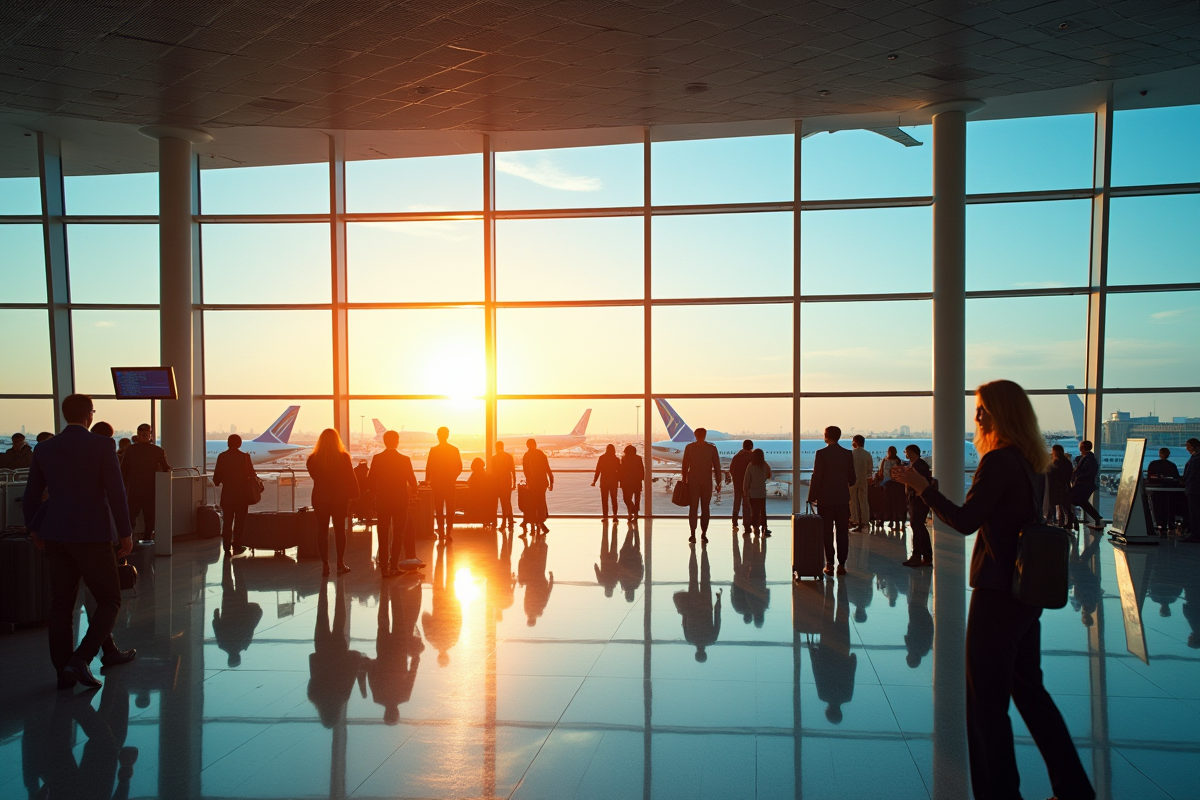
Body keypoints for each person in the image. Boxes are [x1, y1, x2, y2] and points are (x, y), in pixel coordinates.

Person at [891, 379, 1094, 800]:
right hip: (1024, 595)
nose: (977, 415)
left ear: (1004, 412)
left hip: (998, 591)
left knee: (986, 706)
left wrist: (923, 488)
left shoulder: (998, 460)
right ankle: (1073, 787)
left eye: (983, 408)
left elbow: (966, 521)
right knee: (1031, 694)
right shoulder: (1029, 461)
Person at [23, 393, 136, 690]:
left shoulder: (44, 448)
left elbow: (33, 493)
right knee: (110, 599)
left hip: (56, 535)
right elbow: (116, 492)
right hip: (92, 535)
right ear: (89, 415)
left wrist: (33, 528)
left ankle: (64, 672)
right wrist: (125, 532)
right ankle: (82, 658)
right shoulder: (102, 445)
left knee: (61, 605)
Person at [369, 430, 421, 578]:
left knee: (383, 534)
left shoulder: (377, 459)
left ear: (385, 442)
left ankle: (383, 568)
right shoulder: (404, 460)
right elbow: (412, 480)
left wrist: (375, 496)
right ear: (397, 442)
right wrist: (414, 491)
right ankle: (393, 566)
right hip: (400, 502)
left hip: (383, 501)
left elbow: (371, 480)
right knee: (398, 534)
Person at [307, 428, 359, 575]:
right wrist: (355, 496)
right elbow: (351, 478)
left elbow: (314, 476)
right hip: (339, 498)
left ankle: (325, 565)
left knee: (322, 530)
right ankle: (340, 563)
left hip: (320, 498)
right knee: (339, 530)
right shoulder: (343, 457)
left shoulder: (312, 459)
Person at [808, 426, 856, 576]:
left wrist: (811, 496)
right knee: (842, 532)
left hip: (825, 500)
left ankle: (829, 563)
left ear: (827, 436)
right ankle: (842, 564)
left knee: (826, 532)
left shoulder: (821, 454)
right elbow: (852, 479)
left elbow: (817, 477)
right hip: (842, 499)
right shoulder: (847, 454)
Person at [120, 423, 170, 542]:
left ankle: (127, 541)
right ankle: (147, 542)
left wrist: (126, 486)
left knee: (130, 518)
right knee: (149, 519)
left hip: (134, 490)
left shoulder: (130, 450)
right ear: (150, 435)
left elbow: (123, 471)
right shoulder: (158, 451)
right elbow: (166, 469)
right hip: (150, 491)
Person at [673, 542, 721, 661]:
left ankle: (704, 551)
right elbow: (684, 620)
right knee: (693, 576)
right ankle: (693, 552)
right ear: (696, 653)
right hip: (692, 605)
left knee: (705, 576)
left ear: (704, 654)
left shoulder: (712, 638)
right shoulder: (689, 639)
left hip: (705, 604)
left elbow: (717, 619)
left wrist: (718, 601)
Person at [212, 557, 262, 667]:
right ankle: (226, 562)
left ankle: (236, 563)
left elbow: (250, 626)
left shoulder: (245, 643)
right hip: (228, 609)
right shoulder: (222, 644)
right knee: (227, 584)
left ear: (238, 657)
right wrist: (216, 615)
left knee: (241, 584)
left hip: (242, 607)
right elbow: (217, 626)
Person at [212, 434, 255, 556]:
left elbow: (216, 479)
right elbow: (252, 475)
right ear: (240, 444)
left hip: (227, 496)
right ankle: (237, 545)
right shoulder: (245, 457)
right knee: (240, 522)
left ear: (228, 443)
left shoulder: (222, 457)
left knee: (227, 522)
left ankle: (226, 547)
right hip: (242, 496)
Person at [681, 427, 722, 543]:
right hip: (706, 481)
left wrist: (684, 480)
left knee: (693, 508)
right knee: (705, 508)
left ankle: (692, 534)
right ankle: (704, 534)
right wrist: (719, 482)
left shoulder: (689, 448)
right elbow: (717, 467)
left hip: (693, 481)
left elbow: (685, 466)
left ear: (695, 435)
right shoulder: (711, 449)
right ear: (705, 435)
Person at [425, 427, 462, 541]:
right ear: (447, 435)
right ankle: (448, 532)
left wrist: (428, 480)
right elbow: (460, 467)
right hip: (449, 483)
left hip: (437, 483)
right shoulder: (454, 449)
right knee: (450, 508)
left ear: (438, 435)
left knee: (439, 508)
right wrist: (453, 477)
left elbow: (429, 467)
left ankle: (441, 530)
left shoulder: (434, 450)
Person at [902, 444, 933, 568]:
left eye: (907, 452)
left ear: (912, 452)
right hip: (917, 500)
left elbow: (917, 483)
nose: (905, 454)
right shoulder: (917, 465)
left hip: (918, 500)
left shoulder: (918, 466)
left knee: (917, 526)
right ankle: (925, 556)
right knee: (919, 526)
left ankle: (917, 555)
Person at [1146, 446, 1182, 533]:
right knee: (1170, 508)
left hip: (1157, 489)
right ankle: (1170, 524)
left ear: (1160, 454)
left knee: (1158, 508)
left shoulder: (1153, 464)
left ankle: (1159, 524)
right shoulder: (1172, 465)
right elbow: (1176, 478)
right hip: (1170, 491)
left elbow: (1149, 477)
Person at [1069, 440, 1103, 529]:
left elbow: (1087, 472)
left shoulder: (1089, 458)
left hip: (1083, 485)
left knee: (1070, 499)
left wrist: (1077, 477)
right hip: (1084, 485)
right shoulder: (1087, 458)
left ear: (1083, 447)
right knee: (1082, 502)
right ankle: (1096, 517)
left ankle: (1073, 520)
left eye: (1080, 446)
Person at [522, 438, 553, 534]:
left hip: (534, 483)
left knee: (534, 504)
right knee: (540, 503)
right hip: (541, 482)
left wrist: (528, 483)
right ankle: (540, 523)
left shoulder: (527, 456)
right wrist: (551, 481)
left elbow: (526, 471)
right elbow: (547, 468)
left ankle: (535, 524)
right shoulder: (540, 454)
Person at [742, 448, 772, 536]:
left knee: (754, 512)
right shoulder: (764, 465)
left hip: (753, 493)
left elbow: (746, 480)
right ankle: (764, 527)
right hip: (762, 492)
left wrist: (745, 490)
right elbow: (769, 475)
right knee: (763, 511)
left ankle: (756, 528)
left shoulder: (751, 466)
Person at [877, 446, 906, 531]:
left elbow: (881, 472)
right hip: (896, 484)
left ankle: (889, 520)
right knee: (896, 505)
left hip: (887, 484)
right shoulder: (898, 461)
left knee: (887, 504)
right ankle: (896, 521)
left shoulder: (885, 460)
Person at [728, 440, 754, 533]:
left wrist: (736, 478)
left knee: (737, 503)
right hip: (749, 485)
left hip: (738, 483)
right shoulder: (753, 457)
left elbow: (731, 469)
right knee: (747, 504)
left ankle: (734, 522)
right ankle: (747, 525)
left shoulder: (737, 457)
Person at [849, 435, 873, 531]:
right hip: (863, 481)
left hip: (852, 481)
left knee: (853, 501)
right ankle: (865, 521)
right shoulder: (867, 454)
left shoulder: (851, 454)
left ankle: (855, 520)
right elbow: (870, 469)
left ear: (855, 442)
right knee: (864, 501)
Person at [491, 441, 516, 529]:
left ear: (496, 448)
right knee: (507, 502)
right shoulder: (509, 456)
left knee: (498, 503)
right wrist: (514, 483)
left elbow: (493, 473)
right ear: (503, 446)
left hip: (497, 483)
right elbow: (513, 470)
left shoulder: (494, 458)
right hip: (507, 482)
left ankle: (498, 522)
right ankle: (509, 521)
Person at [591, 444, 621, 520]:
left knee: (604, 499)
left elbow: (598, 470)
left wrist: (594, 481)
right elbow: (620, 471)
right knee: (614, 499)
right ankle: (615, 515)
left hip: (604, 481)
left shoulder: (602, 458)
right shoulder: (616, 459)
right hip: (613, 481)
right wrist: (620, 481)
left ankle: (605, 516)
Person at [1048, 444, 1074, 527]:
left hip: (1057, 487)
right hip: (1065, 486)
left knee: (1055, 504)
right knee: (1065, 505)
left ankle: (1056, 521)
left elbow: (1052, 474)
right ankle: (1067, 522)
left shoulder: (1056, 462)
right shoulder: (1067, 462)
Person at [466, 457, 493, 526]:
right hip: (482, 496)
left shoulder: (474, 474)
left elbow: (469, 483)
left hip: (474, 495)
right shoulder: (483, 474)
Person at [619, 444, 643, 521]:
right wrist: (641, 478)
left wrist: (620, 480)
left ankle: (630, 513)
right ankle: (635, 514)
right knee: (637, 498)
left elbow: (622, 470)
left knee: (626, 498)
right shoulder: (638, 458)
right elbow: (641, 469)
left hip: (626, 481)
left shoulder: (624, 459)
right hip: (636, 481)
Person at [1183, 438, 1200, 543]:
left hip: (1194, 489)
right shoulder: (1195, 457)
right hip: (1193, 488)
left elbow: (1192, 473)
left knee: (1195, 512)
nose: (1186, 448)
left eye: (1188, 445)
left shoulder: (1196, 458)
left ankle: (1195, 534)